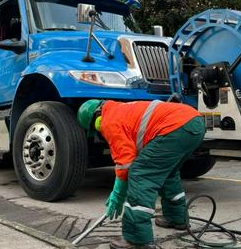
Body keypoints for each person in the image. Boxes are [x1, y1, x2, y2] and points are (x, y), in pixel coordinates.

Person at [77, 100, 205, 249]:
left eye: (95, 127)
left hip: (176, 127)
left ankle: (136, 238)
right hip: (194, 122)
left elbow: (126, 165)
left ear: (98, 118)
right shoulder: (121, 108)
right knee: (168, 173)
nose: (99, 130)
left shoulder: (109, 121)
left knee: (140, 174)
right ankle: (176, 217)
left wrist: (118, 194)